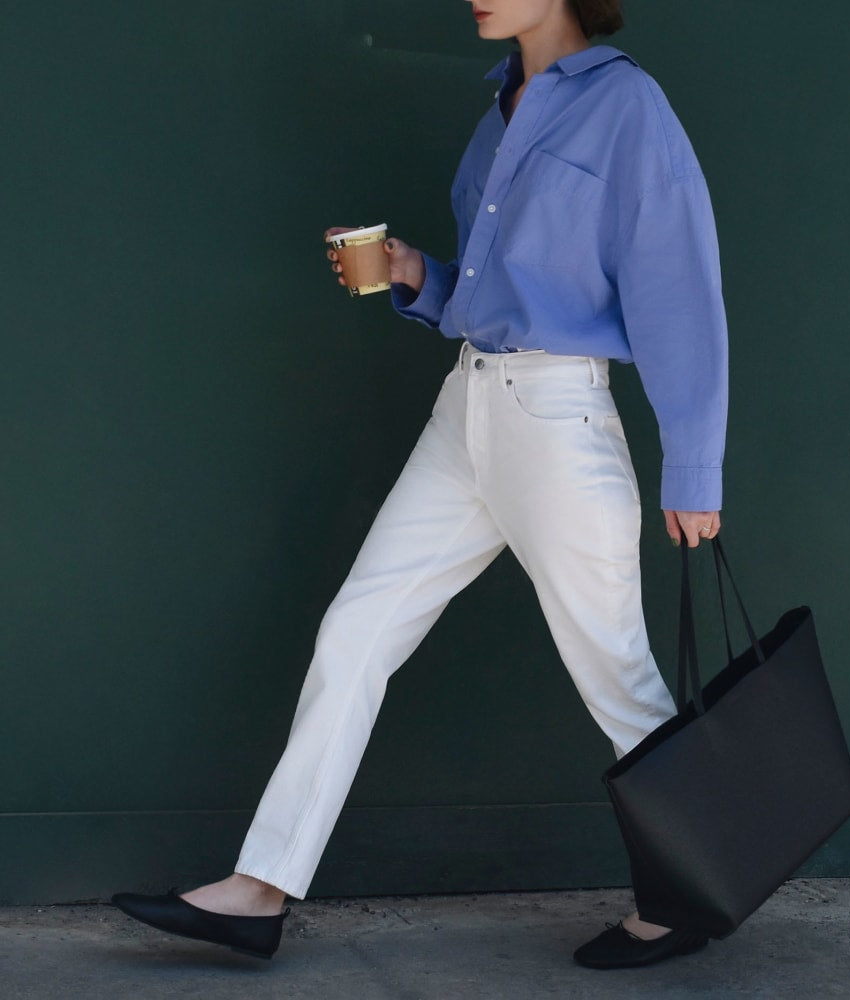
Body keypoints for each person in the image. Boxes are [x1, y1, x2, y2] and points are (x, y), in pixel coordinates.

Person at [112, 0, 728, 971]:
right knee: (356, 628)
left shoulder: (627, 108)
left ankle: (695, 886)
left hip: (558, 420)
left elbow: (678, 292)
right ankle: (259, 889)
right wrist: (413, 274)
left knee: (616, 674)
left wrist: (693, 467)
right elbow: (490, 293)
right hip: (467, 406)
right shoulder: (499, 108)